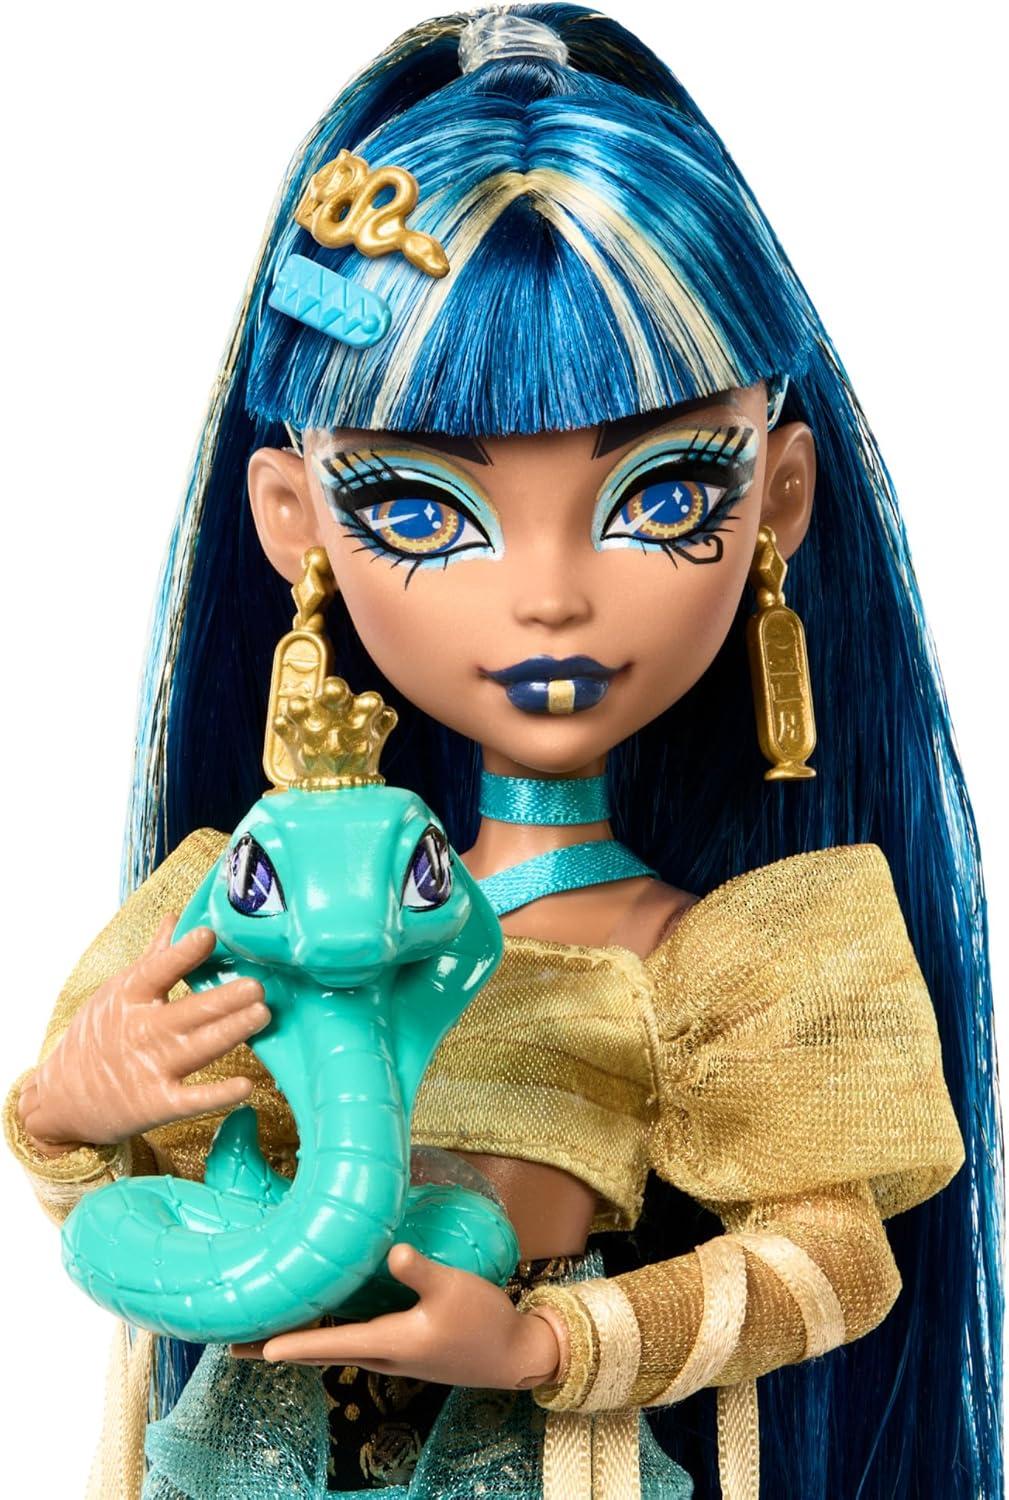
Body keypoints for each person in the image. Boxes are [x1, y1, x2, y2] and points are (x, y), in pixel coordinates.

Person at [4, 7, 998, 1498]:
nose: (548, 597)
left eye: (663, 497)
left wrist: (548, 1344)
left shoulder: (737, 956)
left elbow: (834, 1264)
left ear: (781, 499)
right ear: (293, 521)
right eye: (419, 508)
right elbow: (117, 1213)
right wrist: (72, 1110)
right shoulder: (255, 899)